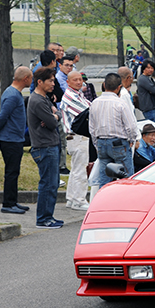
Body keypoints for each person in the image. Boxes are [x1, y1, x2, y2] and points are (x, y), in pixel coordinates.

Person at [0, 67, 32, 214]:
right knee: (11, 172)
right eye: (31, 78)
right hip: (10, 140)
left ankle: (13, 201)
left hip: (14, 138)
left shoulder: (14, 93)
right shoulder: (12, 95)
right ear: (25, 79)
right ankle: (8, 204)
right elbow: (3, 116)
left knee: (14, 171)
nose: (32, 80)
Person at [28, 67, 63, 229]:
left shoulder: (45, 98)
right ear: (40, 82)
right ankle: (43, 218)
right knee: (48, 184)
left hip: (50, 145)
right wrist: (54, 116)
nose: (53, 84)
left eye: (54, 80)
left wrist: (55, 115)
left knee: (53, 183)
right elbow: (51, 122)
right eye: (50, 81)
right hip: (44, 147)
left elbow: (58, 114)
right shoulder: (37, 100)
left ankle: (48, 216)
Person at [89, 72, 137, 190]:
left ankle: (104, 204)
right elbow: (131, 126)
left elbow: (92, 128)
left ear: (104, 85)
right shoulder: (121, 103)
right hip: (119, 143)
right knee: (126, 178)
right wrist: (131, 139)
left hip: (101, 142)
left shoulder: (94, 103)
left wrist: (96, 143)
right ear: (119, 87)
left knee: (104, 179)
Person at [61, 71, 91, 211]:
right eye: (75, 80)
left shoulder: (78, 94)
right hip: (78, 137)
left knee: (75, 169)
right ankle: (79, 200)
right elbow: (88, 110)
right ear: (68, 82)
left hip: (77, 138)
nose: (79, 82)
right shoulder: (70, 96)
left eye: (80, 79)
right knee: (81, 170)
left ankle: (72, 199)